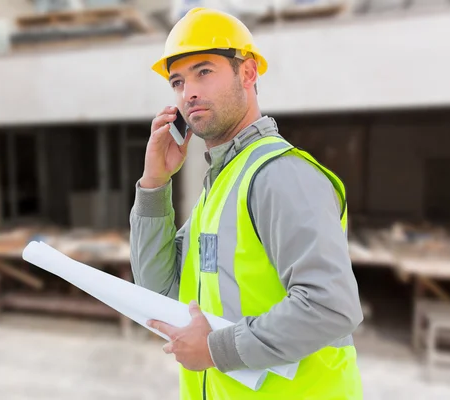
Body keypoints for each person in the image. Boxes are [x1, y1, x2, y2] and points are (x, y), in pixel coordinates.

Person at [129, 7, 364, 399]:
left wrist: (214, 349)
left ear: (248, 73)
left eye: (204, 71)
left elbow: (331, 306)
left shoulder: (280, 175)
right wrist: (154, 184)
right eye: (177, 81)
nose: (189, 93)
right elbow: (159, 291)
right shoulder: (222, 185)